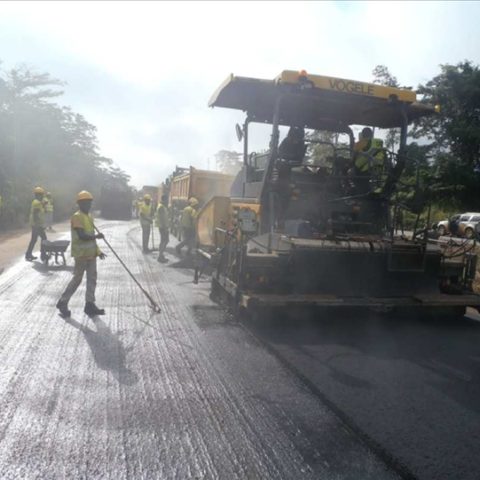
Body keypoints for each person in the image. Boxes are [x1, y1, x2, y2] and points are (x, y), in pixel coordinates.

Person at [56, 190, 106, 318]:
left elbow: (91, 239)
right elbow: (82, 236)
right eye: (85, 203)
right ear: (79, 204)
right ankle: (63, 302)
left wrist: (98, 252)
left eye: (89, 203)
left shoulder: (89, 217)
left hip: (91, 255)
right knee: (77, 280)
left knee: (92, 279)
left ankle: (89, 305)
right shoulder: (76, 216)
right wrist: (97, 236)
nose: (88, 205)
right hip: (81, 255)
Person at [353, 127, 386, 192]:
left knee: (351, 171)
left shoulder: (359, 144)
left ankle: (357, 190)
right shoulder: (379, 141)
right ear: (371, 134)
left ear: (362, 135)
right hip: (379, 168)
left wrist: (350, 163)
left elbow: (353, 157)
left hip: (364, 169)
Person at [25, 186, 47, 261]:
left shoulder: (36, 202)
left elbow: (39, 211)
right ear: (38, 195)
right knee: (44, 238)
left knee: (34, 239)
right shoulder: (37, 203)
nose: (42, 196)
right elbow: (35, 215)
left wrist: (43, 205)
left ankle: (28, 254)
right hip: (37, 225)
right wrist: (39, 226)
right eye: (41, 195)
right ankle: (43, 255)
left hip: (35, 224)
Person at [156, 194, 170, 263]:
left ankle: (161, 255)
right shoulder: (161, 207)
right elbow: (162, 218)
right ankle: (160, 256)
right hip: (163, 227)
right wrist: (165, 227)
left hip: (163, 226)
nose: (168, 201)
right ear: (164, 199)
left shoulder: (162, 206)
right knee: (164, 241)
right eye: (167, 199)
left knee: (165, 241)